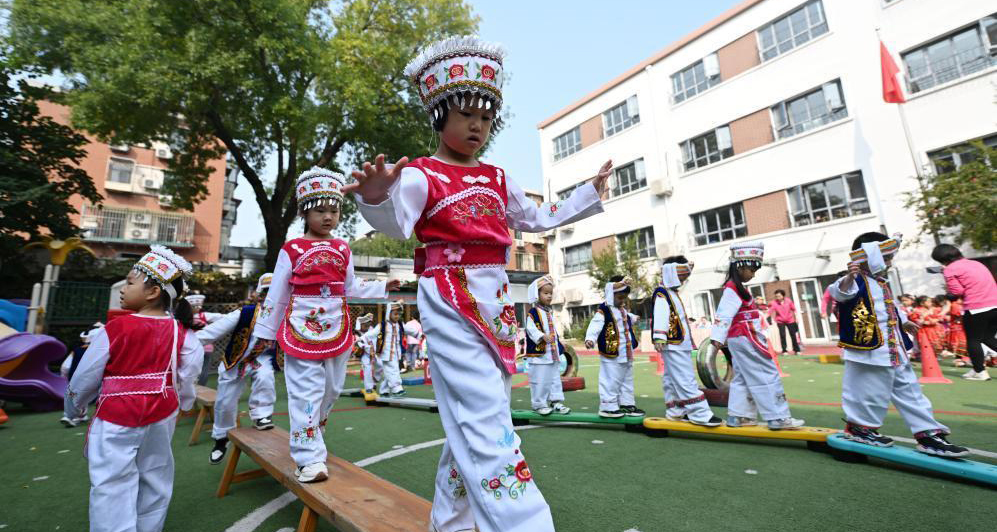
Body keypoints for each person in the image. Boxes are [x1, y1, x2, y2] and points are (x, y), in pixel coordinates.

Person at [348, 35, 610, 532]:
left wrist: (585, 195)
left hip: (497, 300)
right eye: (466, 113)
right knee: (488, 422)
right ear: (438, 114)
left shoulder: (497, 176)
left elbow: (537, 216)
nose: (477, 125)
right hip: (448, 297)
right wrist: (378, 197)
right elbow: (396, 223)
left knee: (475, 418)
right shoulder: (421, 174)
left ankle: (449, 521)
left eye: (486, 117)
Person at [253, 167, 398, 483]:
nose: (329, 216)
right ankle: (308, 457)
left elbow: (351, 287)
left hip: (338, 326)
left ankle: (312, 435)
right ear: (305, 211)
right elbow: (278, 294)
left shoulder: (343, 248)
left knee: (331, 391)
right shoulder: (291, 249)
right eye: (321, 210)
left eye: (334, 210)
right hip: (300, 327)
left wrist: (383, 287)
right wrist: (264, 334)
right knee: (306, 393)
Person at [63, 245, 204, 532]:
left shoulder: (114, 330)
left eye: (129, 282)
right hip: (162, 415)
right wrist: (185, 404)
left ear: (153, 292)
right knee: (155, 476)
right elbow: (189, 377)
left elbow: (84, 378)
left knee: (111, 482)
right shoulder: (183, 334)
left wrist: (74, 407)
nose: (124, 289)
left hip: (115, 416)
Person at [830, 233, 969, 456]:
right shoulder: (854, 281)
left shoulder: (880, 282)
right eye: (885, 258)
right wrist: (848, 277)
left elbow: (889, 307)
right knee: (868, 392)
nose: (890, 262)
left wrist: (904, 322)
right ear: (870, 256)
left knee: (910, 389)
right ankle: (859, 428)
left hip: (894, 349)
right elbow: (839, 292)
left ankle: (927, 433)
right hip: (869, 350)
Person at [711, 242, 804, 430]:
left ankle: (739, 416)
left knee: (743, 376)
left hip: (742, 337)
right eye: (751, 269)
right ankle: (777, 417)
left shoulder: (736, 288)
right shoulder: (733, 289)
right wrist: (717, 339)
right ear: (740, 266)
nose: (753, 274)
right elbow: (723, 315)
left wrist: (720, 338)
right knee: (766, 373)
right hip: (746, 337)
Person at [197, 273, 279, 465]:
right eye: (267, 292)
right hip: (235, 361)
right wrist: (185, 343)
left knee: (266, 376)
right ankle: (221, 438)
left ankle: (261, 415)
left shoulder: (286, 317)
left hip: (261, 359)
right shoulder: (245, 313)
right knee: (225, 403)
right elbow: (212, 332)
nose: (272, 297)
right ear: (260, 295)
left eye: (277, 292)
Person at [652, 257, 722, 426]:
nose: (683, 281)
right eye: (681, 277)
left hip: (677, 343)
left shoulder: (671, 293)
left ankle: (675, 410)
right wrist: (660, 335)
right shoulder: (663, 293)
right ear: (671, 274)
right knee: (685, 378)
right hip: (673, 343)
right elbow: (660, 314)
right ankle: (700, 414)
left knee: (672, 378)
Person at [932, 243, 997, 381]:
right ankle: (976, 369)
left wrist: (947, 294)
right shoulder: (976, 263)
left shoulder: (950, 269)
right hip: (995, 304)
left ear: (942, 259)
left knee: (973, 340)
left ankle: (980, 372)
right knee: (988, 338)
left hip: (976, 307)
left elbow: (956, 292)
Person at [585, 276, 644, 419]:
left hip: (625, 352)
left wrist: (634, 318)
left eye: (625, 298)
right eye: (620, 298)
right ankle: (608, 406)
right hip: (611, 352)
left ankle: (626, 403)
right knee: (610, 380)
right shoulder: (603, 310)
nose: (622, 301)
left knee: (626, 379)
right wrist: (590, 338)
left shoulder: (621, 310)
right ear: (611, 294)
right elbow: (595, 325)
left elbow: (627, 317)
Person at [524, 275, 570, 416]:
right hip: (540, 355)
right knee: (540, 380)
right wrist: (541, 336)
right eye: (545, 293)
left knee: (555, 379)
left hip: (552, 354)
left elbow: (553, 332)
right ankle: (539, 404)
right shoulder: (533, 312)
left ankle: (555, 401)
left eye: (550, 293)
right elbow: (530, 328)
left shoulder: (548, 312)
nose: (549, 296)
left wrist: (560, 345)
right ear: (536, 295)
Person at [59, 322, 104, 427]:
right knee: (95, 397)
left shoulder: (76, 351)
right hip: (96, 379)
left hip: (76, 379)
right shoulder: (100, 351)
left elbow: (65, 367)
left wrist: (65, 376)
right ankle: (81, 416)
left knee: (75, 396)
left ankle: (72, 415)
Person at [363, 301, 407, 397]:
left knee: (390, 372)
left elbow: (409, 329)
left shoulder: (400, 325)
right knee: (393, 370)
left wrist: (419, 334)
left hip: (397, 353)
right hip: (386, 353)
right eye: (395, 314)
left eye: (399, 314)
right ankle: (397, 388)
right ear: (389, 313)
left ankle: (384, 390)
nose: (397, 316)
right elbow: (372, 334)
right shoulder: (382, 325)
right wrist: (361, 339)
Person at [768, 289, 801, 355]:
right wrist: (762, 317)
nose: (778, 298)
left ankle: (796, 350)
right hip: (780, 321)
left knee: (793, 335)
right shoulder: (774, 303)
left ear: (783, 295)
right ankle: (784, 350)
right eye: (776, 296)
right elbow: (770, 311)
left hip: (790, 320)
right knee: (782, 335)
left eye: (779, 296)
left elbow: (794, 309)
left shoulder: (788, 301)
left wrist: (797, 318)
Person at [354, 313, 377, 393]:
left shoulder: (372, 329)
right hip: (365, 354)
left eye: (368, 324)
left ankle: (375, 380)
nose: (367, 327)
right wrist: (369, 349)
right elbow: (360, 344)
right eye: (365, 325)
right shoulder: (357, 334)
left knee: (380, 365)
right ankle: (369, 387)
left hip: (376, 352)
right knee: (367, 368)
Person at [946, 295, 969, 367]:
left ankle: (963, 360)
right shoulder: (955, 305)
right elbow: (958, 315)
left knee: (964, 344)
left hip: (962, 327)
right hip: (957, 328)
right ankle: (959, 361)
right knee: (960, 344)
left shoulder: (961, 304)